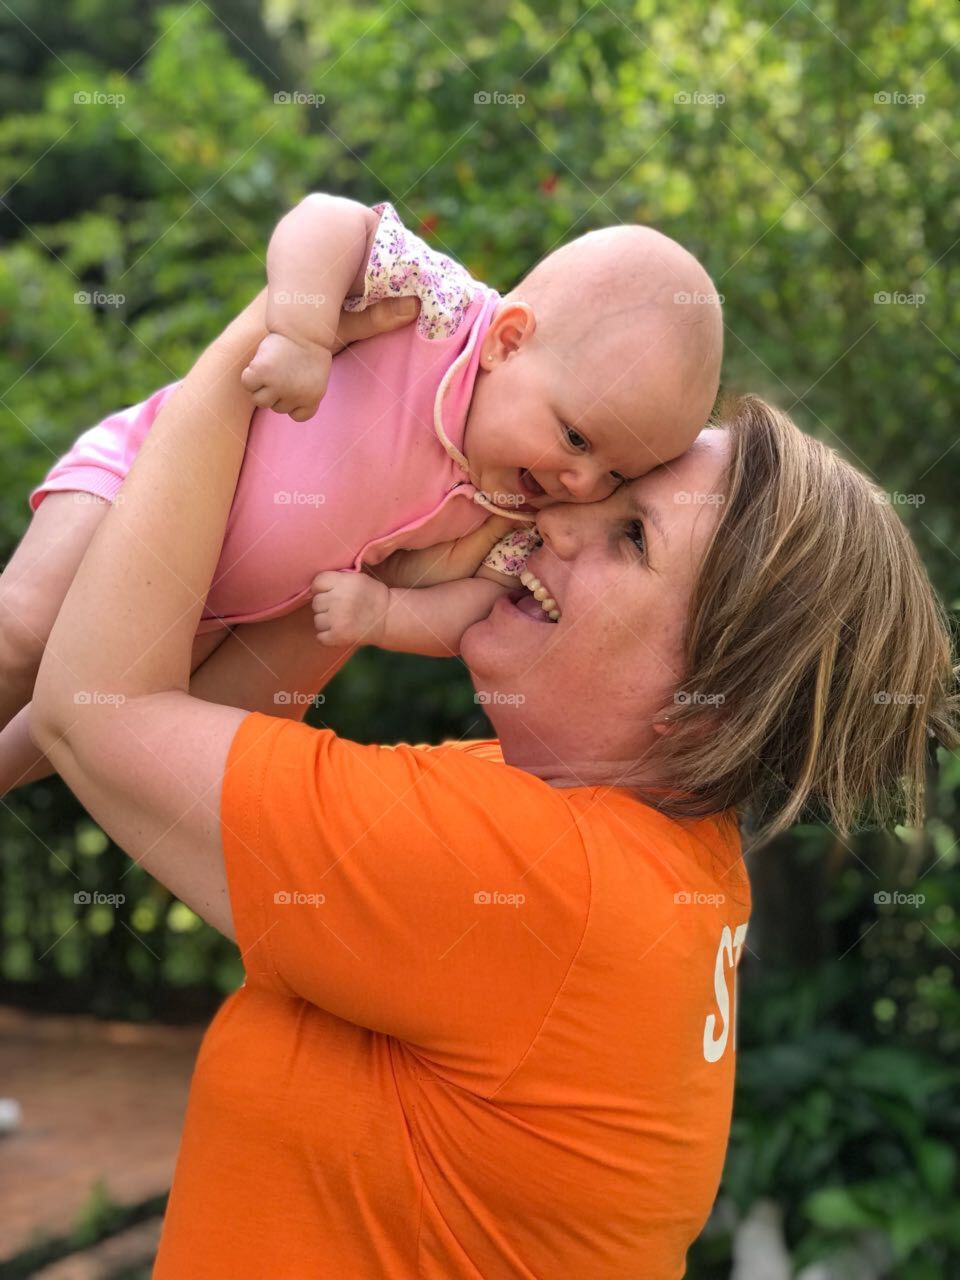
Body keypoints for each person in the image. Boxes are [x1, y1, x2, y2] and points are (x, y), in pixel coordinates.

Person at [29, 293, 956, 1278]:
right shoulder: (614, 850)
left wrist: (247, 354)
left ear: (711, 705)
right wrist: (384, 542)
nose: (558, 517)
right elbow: (189, 750)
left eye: (631, 535)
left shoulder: (543, 876)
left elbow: (98, 714)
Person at [0, 194, 723, 790]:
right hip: (136, 476)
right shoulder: (443, 315)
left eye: (616, 475)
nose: (583, 483)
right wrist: (302, 333)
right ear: (507, 341)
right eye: (576, 439)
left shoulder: (517, 511)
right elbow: (326, 220)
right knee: (24, 633)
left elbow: (474, 610)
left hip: (221, 600)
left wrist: (386, 613)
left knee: (76, 727)